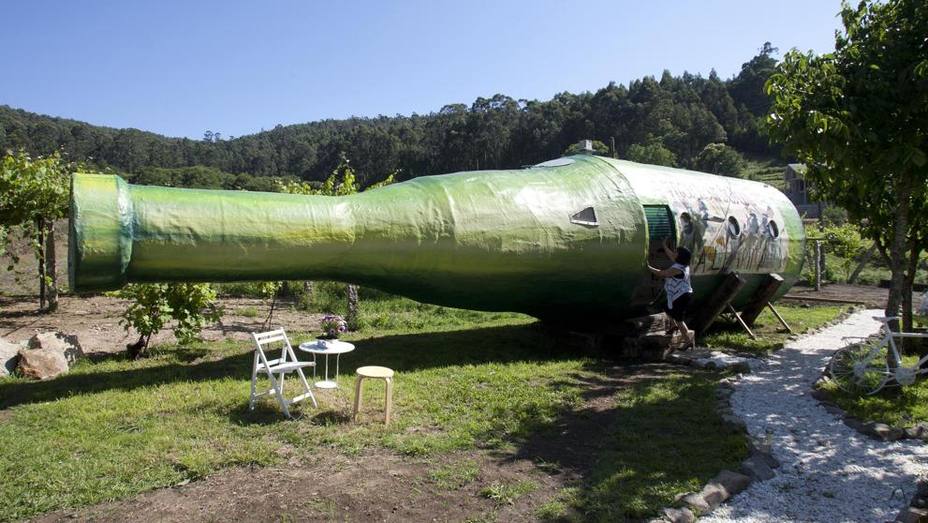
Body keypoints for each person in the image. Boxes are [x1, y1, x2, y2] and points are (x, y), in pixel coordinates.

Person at [647, 238, 695, 350]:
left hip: (682, 296)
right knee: (666, 307)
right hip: (680, 294)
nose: (674, 253)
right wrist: (664, 245)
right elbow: (672, 256)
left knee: (679, 319)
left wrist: (648, 267)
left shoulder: (677, 268)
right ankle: (673, 326)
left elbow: (662, 273)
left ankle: (688, 342)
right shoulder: (683, 264)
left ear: (680, 256)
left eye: (677, 252)